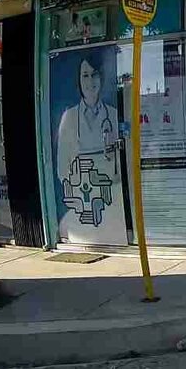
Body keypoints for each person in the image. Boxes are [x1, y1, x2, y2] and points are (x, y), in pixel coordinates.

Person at [55, 54, 123, 238]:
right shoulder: (69, 117)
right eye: (85, 75)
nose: (90, 81)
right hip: (81, 201)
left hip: (111, 200)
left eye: (94, 74)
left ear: (101, 78)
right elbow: (62, 167)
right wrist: (79, 193)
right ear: (78, 80)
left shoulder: (113, 115)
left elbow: (121, 161)